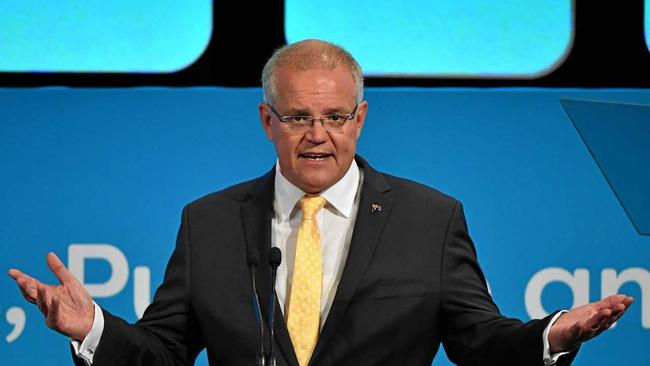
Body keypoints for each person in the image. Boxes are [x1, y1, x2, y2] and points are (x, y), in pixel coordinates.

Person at [9, 39, 633, 366]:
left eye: (336, 116)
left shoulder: (430, 219)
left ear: (360, 120)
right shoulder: (209, 223)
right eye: (299, 117)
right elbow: (163, 354)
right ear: (267, 121)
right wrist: (92, 329)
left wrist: (554, 336)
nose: (318, 135)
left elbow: (481, 344)